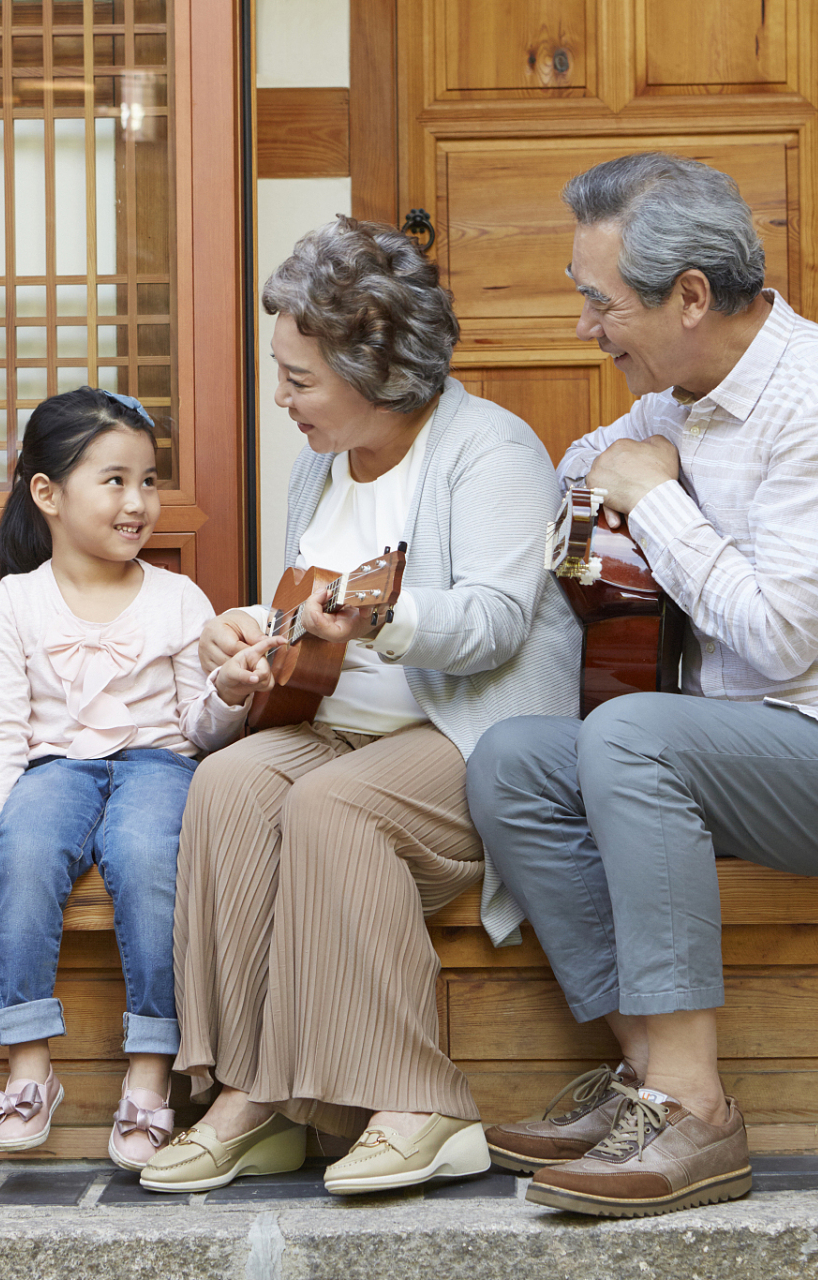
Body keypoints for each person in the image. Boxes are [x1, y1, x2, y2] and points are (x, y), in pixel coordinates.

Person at [466, 153, 818, 1218]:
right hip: (742, 754)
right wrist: (603, 483)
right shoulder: (678, 398)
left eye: (597, 301)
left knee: (633, 735)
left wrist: (653, 500)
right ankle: (647, 1076)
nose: (584, 327)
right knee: (514, 759)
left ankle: (694, 1111)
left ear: (688, 297)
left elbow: (780, 639)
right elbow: (577, 470)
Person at [137, 216, 581, 1197]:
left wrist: (376, 619)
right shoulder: (320, 460)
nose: (280, 397)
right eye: (279, 372)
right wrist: (249, 629)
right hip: (344, 724)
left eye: (298, 378)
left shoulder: (489, 448)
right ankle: (254, 1097)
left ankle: (420, 1100)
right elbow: (308, 598)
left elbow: (497, 622)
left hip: (477, 735)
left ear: (374, 366)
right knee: (230, 783)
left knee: (333, 806)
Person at [0, 386, 248, 1169]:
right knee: (23, 853)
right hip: (55, 768)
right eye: (115, 480)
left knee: (145, 856)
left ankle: (151, 1071)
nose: (138, 502)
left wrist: (227, 694)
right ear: (48, 494)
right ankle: (28, 1064)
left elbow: (201, 730)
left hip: (159, 764)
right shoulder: (16, 602)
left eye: (149, 481)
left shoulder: (177, 598)